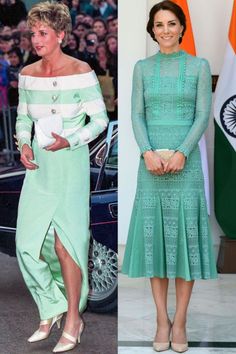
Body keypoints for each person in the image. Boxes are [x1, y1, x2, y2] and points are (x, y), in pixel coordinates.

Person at [122, 1, 217, 353]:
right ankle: (162, 319)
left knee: (185, 245)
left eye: (171, 23)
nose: (165, 30)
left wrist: (181, 152)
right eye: (159, 24)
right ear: (152, 29)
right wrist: (147, 152)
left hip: (185, 165)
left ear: (181, 28)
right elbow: (135, 114)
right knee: (156, 243)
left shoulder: (199, 66)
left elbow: (202, 115)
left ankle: (181, 322)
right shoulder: (141, 68)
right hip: (150, 166)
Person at [15, 1, 108, 353]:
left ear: (61, 35)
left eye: (43, 33)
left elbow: (99, 121)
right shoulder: (26, 74)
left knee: (65, 245)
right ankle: (52, 306)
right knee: (27, 244)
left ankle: (72, 319)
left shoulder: (81, 71)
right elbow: (23, 119)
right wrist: (24, 143)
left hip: (70, 162)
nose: (36, 39)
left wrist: (71, 138)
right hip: (39, 167)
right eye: (33, 33)